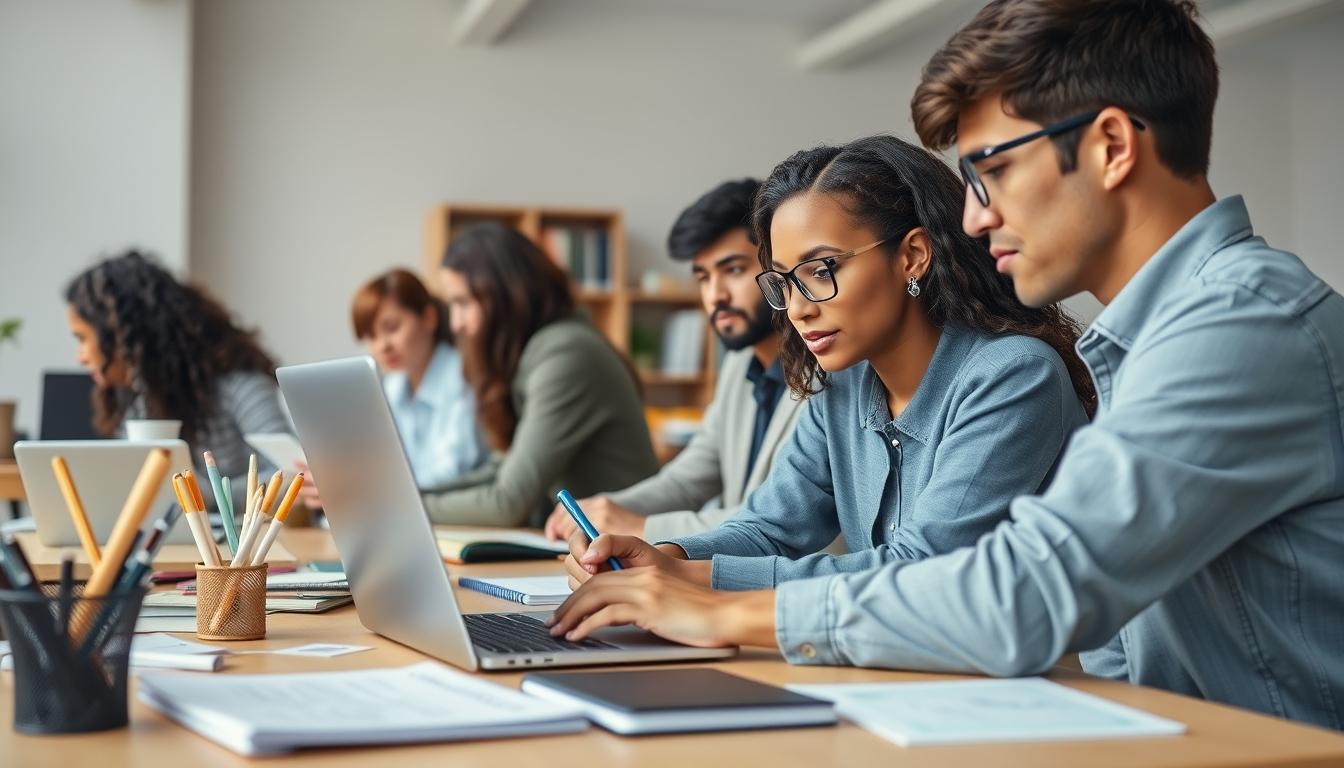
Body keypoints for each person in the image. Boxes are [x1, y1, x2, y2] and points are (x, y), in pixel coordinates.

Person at [550, 0, 1344, 731]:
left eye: (992, 170)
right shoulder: (1157, 337)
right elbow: (1112, 636)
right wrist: (678, 570)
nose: (974, 215)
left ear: (1110, 146)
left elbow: (1024, 589)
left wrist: (716, 610)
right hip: (1164, 735)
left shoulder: (1240, 327)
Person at [553, 133, 1093, 595]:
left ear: (912, 256)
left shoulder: (1013, 375)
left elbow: (922, 568)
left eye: (821, 269)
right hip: (907, 673)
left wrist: (688, 579)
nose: (798, 307)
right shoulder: (842, 384)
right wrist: (661, 554)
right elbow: (769, 527)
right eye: (784, 282)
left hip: (1046, 688)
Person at [543, 179, 811, 543]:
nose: (715, 296)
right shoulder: (738, 366)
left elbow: (788, 517)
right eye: (703, 277)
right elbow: (689, 479)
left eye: (732, 270)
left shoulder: (828, 367)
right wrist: (604, 510)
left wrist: (641, 527)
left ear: (777, 269)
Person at [420, 222, 659, 527]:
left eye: (462, 303)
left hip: (627, 553)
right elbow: (501, 469)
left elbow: (506, 503)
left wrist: (406, 510)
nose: (455, 323)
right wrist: (413, 496)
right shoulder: (538, 352)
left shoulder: (567, 354)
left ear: (505, 297)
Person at [64, 249, 292, 512]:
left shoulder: (239, 388)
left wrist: (205, 497)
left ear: (124, 337)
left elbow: (290, 476)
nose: (80, 358)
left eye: (82, 339)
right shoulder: (133, 401)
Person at [351, 268, 487, 488]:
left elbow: (453, 473)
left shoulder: (464, 378)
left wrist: (375, 487)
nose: (382, 346)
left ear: (429, 318)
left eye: (392, 328)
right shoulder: (391, 387)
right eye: (371, 336)